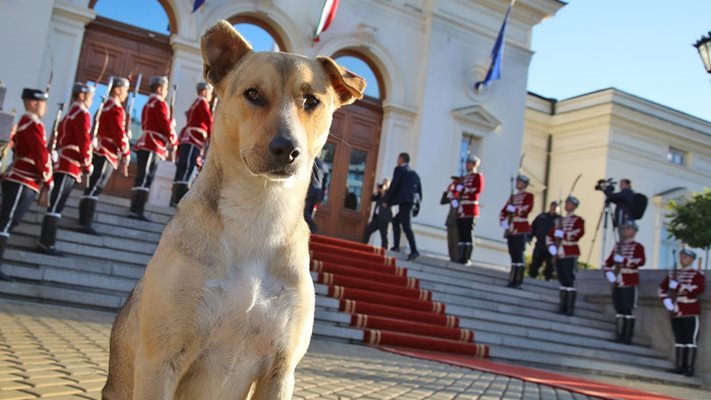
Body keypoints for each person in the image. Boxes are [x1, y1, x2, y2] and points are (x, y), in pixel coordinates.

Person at [0, 88, 52, 280]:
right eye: (43, 103)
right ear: (32, 103)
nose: (45, 107)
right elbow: (40, 153)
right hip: (22, 178)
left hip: (24, 178)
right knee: (6, 221)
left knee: (9, 222)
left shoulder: (28, 123)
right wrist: (48, 177)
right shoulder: (31, 123)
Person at [38, 83, 94, 255]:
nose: (91, 100)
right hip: (69, 164)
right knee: (56, 205)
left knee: (55, 204)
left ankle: (46, 241)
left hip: (62, 162)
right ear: (82, 96)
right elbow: (83, 140)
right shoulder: (82, 114)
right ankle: (47, 243)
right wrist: (86, 163)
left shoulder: (70, 113)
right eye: (90, 96)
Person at [80, 77, 131, 235]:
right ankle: (85, 221)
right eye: (125, 90)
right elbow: (117, 132)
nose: (126, 94)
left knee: (93, 186)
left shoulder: (105, 106)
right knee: (95, 187)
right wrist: (125, 150)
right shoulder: (115, 108)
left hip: (100, 150)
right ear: (117, 90)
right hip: (106, 152)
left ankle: (85, 219)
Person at [131, 76, 176, 221]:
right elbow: (164, 124)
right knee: (146, 177)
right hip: (153, 144)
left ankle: (135, 208)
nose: (166, 91)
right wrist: (173, 138)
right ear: (159, 88)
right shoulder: (160, 103)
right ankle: (137, 210)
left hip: (145, 142)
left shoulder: (148, 103)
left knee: (141, 177)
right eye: (165, 88)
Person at [659, 248, 705, 377]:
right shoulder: (673, 274)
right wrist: (666, 301)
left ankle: (689, 368)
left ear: (691, 259)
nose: (682, 259)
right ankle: (679, 366)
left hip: (690, 309)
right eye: (681, 257)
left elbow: (698, 289)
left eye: (685, 257)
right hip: (675, 309)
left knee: (690, 340)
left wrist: (679, 286)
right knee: (679, 339)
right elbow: (661, 289)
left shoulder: (697, 274)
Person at [171, 82, 214, 207]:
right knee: (187, 168)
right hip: (193, 139)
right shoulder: (202, 102)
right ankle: (179, 199)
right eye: (210, 92)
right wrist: (212, 136)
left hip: (189, 138)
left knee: (183, 168)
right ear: (204, 92)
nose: (211, 96)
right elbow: (208, 120)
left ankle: (175, 199)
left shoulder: (196, 103)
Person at [603, 220, 645, 344]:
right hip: (618, 282)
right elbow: (607, 264)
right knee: (619, 309)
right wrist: (612, 278)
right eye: (625, 228)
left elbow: (640, 261)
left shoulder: (637, 247)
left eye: (628, 228)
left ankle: (627, 337)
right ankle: (619, 334)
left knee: (628, 309)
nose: (625, 230)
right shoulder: (617, 247)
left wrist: (624, 260)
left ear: (634, 231)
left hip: (629, 281)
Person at [547, 196, 585, 316]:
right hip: (560, 252)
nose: (567, 205)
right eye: (567, 203)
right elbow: (549, 235)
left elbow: (579, 233)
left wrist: (564, 234)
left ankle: (569, 308)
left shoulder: (578, 220)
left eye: (569, 203)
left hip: (570, 250)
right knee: (562, 278)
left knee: (569, 278)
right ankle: (562, 306)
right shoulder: (559, 221)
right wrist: (552, 247)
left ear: (574, 206)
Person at [382, 152, 422, 261]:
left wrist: (387, 200)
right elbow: (419, 192)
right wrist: (416, 207)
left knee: (406, 226)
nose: (396, 161)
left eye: (398, 158)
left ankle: (414, 251)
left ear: (401, 159)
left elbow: (395, 185)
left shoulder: (399, 169)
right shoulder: (414, 174)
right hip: (410, 203)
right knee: (396, 221)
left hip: (405, 202)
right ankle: (396, 247)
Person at [499, 175, 533, 288]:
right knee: (512, 254)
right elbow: (504, 211)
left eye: (520, 182)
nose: (517, 183)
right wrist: (503, 221)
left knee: (519, 254)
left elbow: (527, 208)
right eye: (517, 181)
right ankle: (512, 279)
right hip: (511, 228)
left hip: (521, 227)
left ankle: (518, 281)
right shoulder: (513, 197)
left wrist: (516, 210)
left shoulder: (528, 196)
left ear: (524, 184)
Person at [455, 154, 484, 265]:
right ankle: (460, 256)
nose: (467, 165)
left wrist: (465, 188)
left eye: (469, 163)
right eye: (467, 163)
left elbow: (478, 189)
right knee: (462, 233)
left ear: (474, 164)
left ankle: (467, 258)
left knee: (468, 233)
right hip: (462, 208)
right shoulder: (464, 178)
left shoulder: (477, 176)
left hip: (470, 208)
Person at [529, 201, 559, 280]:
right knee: (536, 261)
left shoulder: (559, 219)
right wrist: (530, 237)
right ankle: (532, 276)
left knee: (550, 263)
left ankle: (548, 278)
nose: (553, 208)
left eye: (555, 207)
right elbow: (533, 227)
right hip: (540, 243)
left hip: (552, 245)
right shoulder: (542, 216)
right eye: (552, 206)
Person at [362, 178, 391, 249]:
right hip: (376, 218)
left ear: (388, 185)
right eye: (383, 183)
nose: (383, 185)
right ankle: (363, 247)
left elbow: (388, 201)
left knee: (384, 236)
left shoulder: (390, 194)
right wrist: (376, 190)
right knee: (367, 230)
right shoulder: (379, 193)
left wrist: (383, 192)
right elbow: (372, 198)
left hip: (384, 219)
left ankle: (384, 251)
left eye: (385, 183)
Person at [440, 176, 461, 262]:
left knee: (456, 242)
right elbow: (442, 201)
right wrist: (447, 191)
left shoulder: (460, 195)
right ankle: (452, 258)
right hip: (450, 221)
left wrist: (453, 192)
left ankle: (456, 259)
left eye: (456, 183)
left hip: (457, 222)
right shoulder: (453, 195)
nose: (453, 184)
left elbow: (456, 205)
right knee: (450, 243)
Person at [304, 156, 326, 232]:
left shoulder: (311, 161)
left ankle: (313, 227)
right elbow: (325, 182)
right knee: (310, 212)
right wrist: (322, 195)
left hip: (310, 190)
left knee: (304, 212)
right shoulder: (324, 165)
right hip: (318, 192)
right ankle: (308, 230)